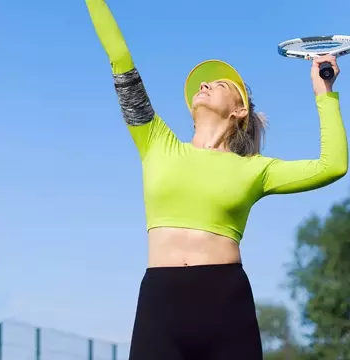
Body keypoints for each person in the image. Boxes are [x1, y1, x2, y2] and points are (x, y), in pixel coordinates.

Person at [85, 0, 348, 359]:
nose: (205, 84)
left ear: (240, 109)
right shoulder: (155, 142)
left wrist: (325, 93)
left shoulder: (255, 169)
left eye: (219, 83)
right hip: (160, 306)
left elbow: (331, 166)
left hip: (226, 305)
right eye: (201, 84)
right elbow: (120, 59)